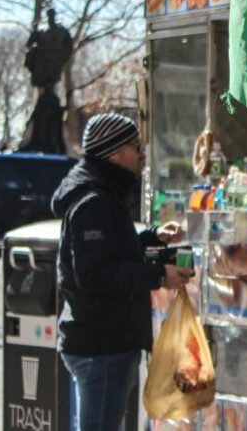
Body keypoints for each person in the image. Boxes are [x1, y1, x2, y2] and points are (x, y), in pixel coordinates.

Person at [51, 113, 193, 431]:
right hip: (102, 344)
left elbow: (108, 249)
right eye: (135, 147)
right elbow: (95, 273)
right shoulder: (94, 200)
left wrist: (151, 237)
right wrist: (157, 276)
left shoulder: (103, 193)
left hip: (103, 340)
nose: (142, 154)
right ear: (114, 152)